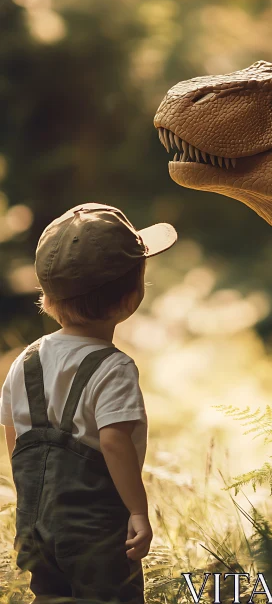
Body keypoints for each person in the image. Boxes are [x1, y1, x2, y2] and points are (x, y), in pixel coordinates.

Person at [0, 202, 177, 604]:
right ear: (131, 297)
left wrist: (33, 500)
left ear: (47, 296)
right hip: (94, 528)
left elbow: (14, 436)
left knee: (50, 596)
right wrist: (137, 511)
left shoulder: (25, 361)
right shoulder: (114, 368)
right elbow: (113, 443)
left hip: (33, 523)